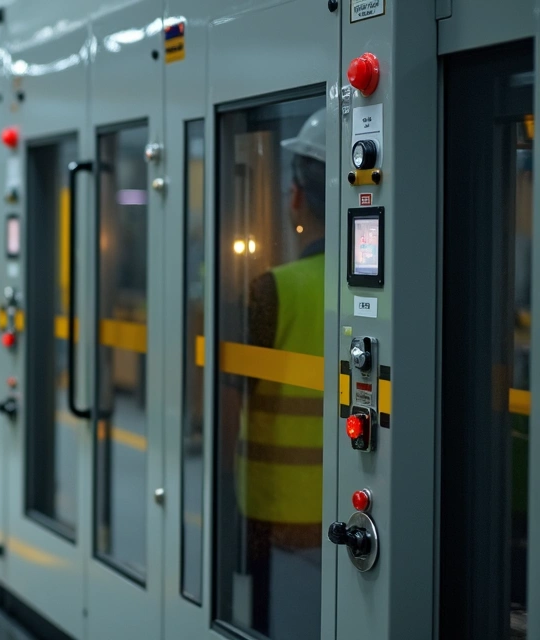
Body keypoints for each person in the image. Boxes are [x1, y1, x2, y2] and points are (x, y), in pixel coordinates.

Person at [238, 107, 327, 638]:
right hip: (361, 517)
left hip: (273, 516)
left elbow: (229, 412)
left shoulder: (271, 289)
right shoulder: (392, 288)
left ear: (295, 198)